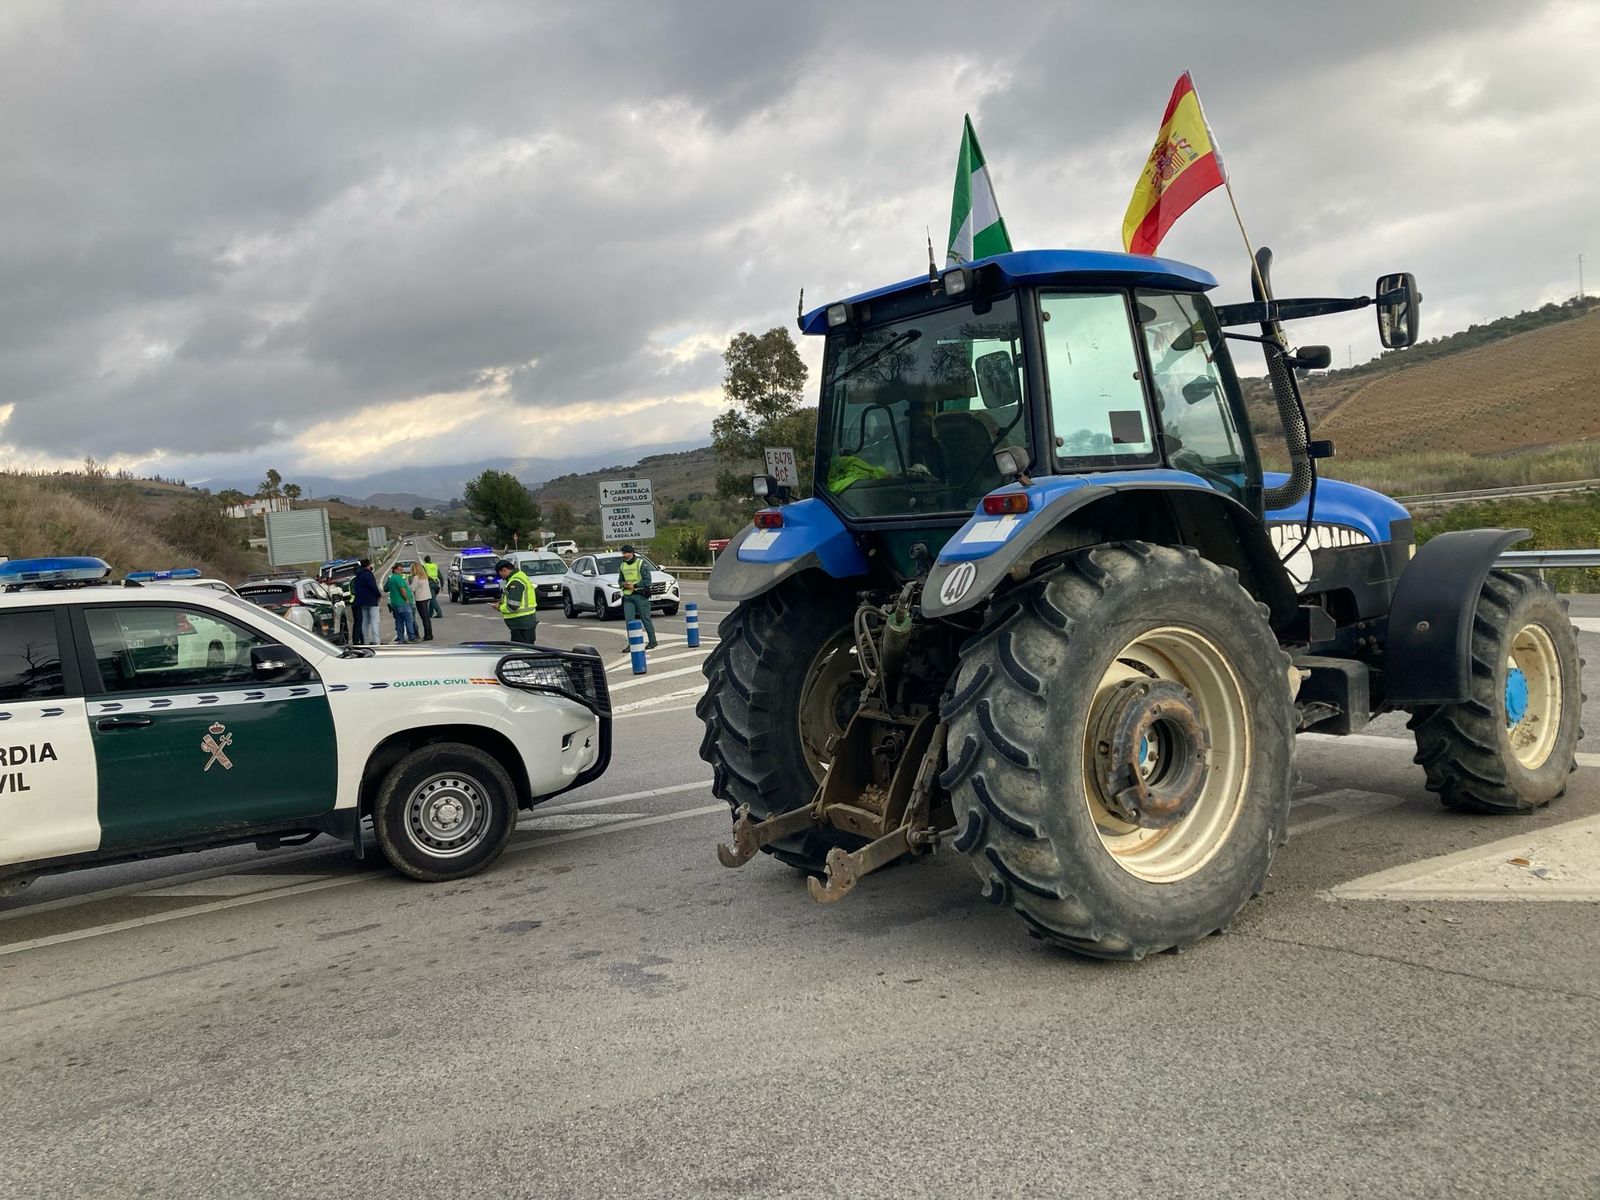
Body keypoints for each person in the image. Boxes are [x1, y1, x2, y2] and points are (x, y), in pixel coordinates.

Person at [617, 544, 656, 649]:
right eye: (623, 553)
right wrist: (624, 584)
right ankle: (632, 644)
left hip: (640, 595)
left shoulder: (640, 563)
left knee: (645, 619)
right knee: (629, 621)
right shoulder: (622, 565)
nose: (624, 555)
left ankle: (652, 641)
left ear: (631, 553)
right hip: (628, 597)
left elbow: (647, 580)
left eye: (626, 553)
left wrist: (635, 585)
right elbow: (620, 581)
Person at [495, 558, 538, 644]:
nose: (501, 578)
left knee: (521, 649)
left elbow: (513, 606)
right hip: (525, 622)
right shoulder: (520, 576)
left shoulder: (515, 581)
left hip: (521, 623)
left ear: (504, 570)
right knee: (526, 648)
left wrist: (499, 607)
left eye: (500, 574)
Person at [352, 557, 382, 645]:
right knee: (374, 620)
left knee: (364, 621)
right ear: (368, 565)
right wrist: (378, 595)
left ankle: (365, 640)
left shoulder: (358, 576)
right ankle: (376, 640)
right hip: (371, 600)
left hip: (361, 602)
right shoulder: (368, 574)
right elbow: (373, 586)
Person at [386, 563, 417, 643]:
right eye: (400, 569)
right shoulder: (398, 579)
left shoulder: (391, 578)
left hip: (394, 603)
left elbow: (386, 589)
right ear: (395, 570)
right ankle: (411, 637)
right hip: (402, 603)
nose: (402, 571)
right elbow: (402, 590)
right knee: (408, 620)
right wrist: (407, 599)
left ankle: (401, 638)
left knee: (399, 621)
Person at [409, 560, 435, 641]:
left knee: (424, 617)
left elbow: (412, 588)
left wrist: (409, 585)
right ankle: (429, 633)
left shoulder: (416, 578)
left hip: (420, 598)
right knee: (427, 616)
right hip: (427, 597)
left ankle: (427, 635)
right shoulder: (425, 576)